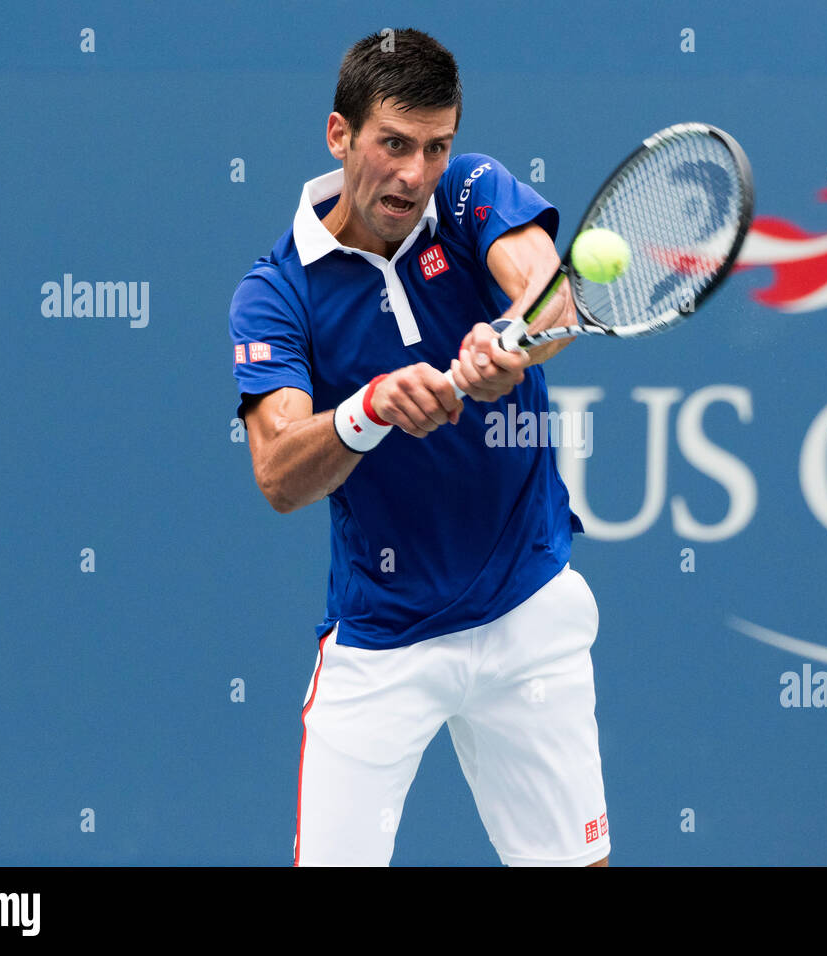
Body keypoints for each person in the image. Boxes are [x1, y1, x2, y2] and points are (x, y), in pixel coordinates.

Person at [227, 29, 609, 867]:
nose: (414, 174)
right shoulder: (276, 292)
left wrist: (508, 341)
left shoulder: (472, 192)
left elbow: (551, 297)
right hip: (382, 638)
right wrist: (366, 411)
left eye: (435, 146)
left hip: (526, 611)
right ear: (340, 135)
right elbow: (278, 474)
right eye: (393, 145)